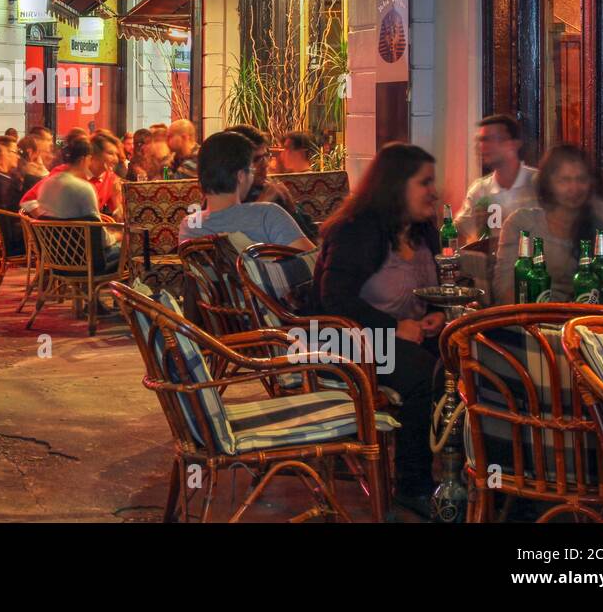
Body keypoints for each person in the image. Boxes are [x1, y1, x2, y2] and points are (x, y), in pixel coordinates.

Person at [313, 142, 446, 514]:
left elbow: (429, 289)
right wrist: (393, 328)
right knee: (424, 373)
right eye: (425, 182)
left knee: (470, 356)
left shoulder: (423, 232)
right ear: (396, 185)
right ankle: (413, 483)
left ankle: (468, 475)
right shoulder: (359, 231)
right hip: (345, 341)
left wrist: (435, 314)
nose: (433, 191)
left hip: (402, 337)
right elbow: (333, 298)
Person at [494, 145, 603, 304]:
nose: (574, 188)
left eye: (581, 179)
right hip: (528, 320)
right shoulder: (522, 223)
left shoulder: (602, 227)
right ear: (548, 184)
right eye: (564, 180)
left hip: (584, 321)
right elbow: (504, 289)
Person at [178, 131, 313, 250]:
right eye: (251, 168)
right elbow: (312, 262)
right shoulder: (268, 214)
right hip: (264, 279)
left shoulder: (189, 226)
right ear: (241, 176)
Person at [34, 136, 122, 273]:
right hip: (87, 262)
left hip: (54, 259)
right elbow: (99, 238)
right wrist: (117, 236)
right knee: (133, 246)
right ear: (84, 159)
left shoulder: (46, 185)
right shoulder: (84, 188)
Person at [223, 124, 319, 241]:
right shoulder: (221, 194)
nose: (265, 164)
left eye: (265, 156)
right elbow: (234, 242)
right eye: (256, 159)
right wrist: (263, 203)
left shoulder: (271, 189)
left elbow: (313, 237)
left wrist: (291, 206)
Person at [455, 114, 538, 242]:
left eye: (489, 139)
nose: (481, 146)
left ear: (513, 144)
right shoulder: (480, 190)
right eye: (480, 140)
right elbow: (457, 233)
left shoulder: (538, 183)